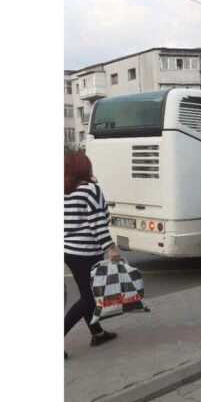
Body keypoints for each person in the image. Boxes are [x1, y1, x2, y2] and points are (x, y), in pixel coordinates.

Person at [64, 153, 121, 358]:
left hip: (68, 251)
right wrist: (111, 247)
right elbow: (97, 222)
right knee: (90, 299)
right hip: (87, 252)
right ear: (85, 168)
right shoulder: (90, 189)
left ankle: (97, 333)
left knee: (88, 295)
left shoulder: (64, 190)